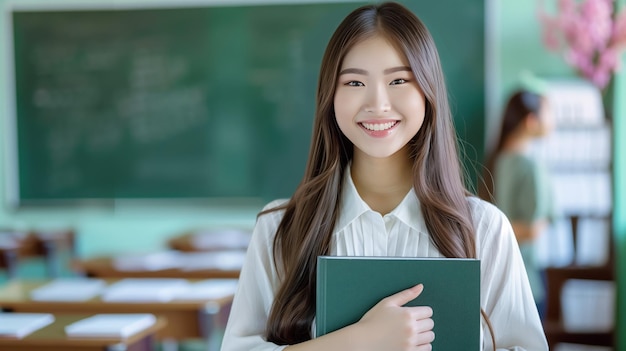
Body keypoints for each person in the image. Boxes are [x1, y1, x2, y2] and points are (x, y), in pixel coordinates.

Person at [221, 2, 548, 350]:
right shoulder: (280, 229)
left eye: (398, 80)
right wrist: (358, 341)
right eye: (355, 82)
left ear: (428, 90)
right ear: (330, 96)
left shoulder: (485, 230)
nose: (377, 103)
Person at [480, 89, 556, 319]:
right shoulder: (531, 167)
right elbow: (534, 228)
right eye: (550, 112)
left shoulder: (492, 162)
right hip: (526, 279)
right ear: (531, 121)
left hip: (492, 281)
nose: (554, 121)